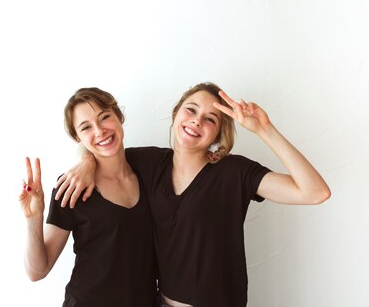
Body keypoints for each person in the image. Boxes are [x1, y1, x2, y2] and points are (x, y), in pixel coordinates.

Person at [53, 82, 331, 307]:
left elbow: (314, 192)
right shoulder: (149, 164)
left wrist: (264, 129)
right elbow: (104, 146)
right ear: (176, 114)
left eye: (210, 119)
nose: (196, 121)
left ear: (219, 133)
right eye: (191, 110)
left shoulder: (234, 172)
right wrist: (86, 162)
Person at [19, 87, 158, 307]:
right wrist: (33, 217)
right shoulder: (71, 187)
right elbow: (37, 271)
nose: (100, 131)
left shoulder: (151, 167)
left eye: (104, 117)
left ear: (119, 116)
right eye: (86, 127)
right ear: (78, 137)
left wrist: (87, 160)